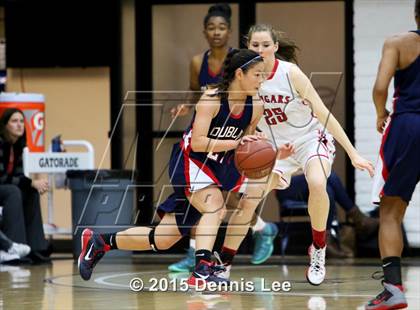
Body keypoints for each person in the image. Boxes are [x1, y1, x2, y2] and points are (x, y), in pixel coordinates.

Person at [78, 49, 288, 287]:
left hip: (217, 168)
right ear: (240, 74)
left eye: (264, 75)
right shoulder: (212, 99)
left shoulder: (256, 106)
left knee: (163, 239)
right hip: (190, 161)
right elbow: (198, 142)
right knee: (215, 205)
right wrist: (236, 143)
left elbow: (245, 148)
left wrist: (267, 155)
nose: (262, 80)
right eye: (257, 75)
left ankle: (100, 242)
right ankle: (201, 270)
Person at [213, 24, 374, 286]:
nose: (261, 50)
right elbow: (246, 120)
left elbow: (323, 113)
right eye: (255, 46)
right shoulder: (247, 79)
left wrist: (353, 153)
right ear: (247, 47)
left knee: (318, 183)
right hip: (275, 148)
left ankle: (319, 248)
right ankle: (224, 265)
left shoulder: (291, 74)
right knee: (248, 202)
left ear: (275, 47)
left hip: (309, 139)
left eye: (266, 45)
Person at [168, 3, 278, 272]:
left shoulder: (240, 61)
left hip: (230, 133)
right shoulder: (198, 61)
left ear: (229, 32)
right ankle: (198, 253)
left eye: (222, 28)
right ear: (204, 32)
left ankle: (258, 230)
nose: (216, 32)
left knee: (218, 200)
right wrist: (185, 105)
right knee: (207, 199)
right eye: (211, 28)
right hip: (207, 132)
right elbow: (195, 91)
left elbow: (252, 98)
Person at [365, 2, 420, 309]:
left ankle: (393, 289)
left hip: (408, 126)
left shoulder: (398, 42)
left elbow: (379, 87)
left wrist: (379, 114)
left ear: (415, 14)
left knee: (390, 212)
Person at [276, 171, 379, 258]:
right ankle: (360, 221)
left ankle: (324, 242)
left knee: (326, 190)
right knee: (328, 175)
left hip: (309, 183)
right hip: (285, 185)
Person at [0, 108, 50, 263]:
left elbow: (19, 175)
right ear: (5, 125)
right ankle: (14, 247)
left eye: (21, 121)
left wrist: (33, 185)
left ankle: (35, 248)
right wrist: (31, 182)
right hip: (3, 186)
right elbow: (1, 177)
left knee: (31, 192)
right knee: (13, 191)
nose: (19, 125)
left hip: (5, 187)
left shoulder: (18, 145)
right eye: (14, 121)